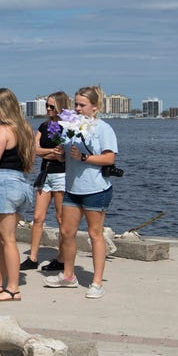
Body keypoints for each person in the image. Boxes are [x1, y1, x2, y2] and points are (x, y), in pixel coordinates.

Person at [44, 86, 118, 299]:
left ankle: (96, 282)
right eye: (76, 104)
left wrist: (84, 158)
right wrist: (60, 155)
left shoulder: (103, 129)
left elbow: (109, 158)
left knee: (95, 234)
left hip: (96, 189)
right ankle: (68, 275)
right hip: (73, 189)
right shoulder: (70, 129)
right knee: (67, 232)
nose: (77, 108)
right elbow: (67, 156)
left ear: (94, 107)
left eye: (82, 105)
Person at [0, 88, 35, 302]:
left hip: (4, 184)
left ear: (1, 108)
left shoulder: (3, 130)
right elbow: (29, 161)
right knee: (4, 239)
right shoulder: (26, 130)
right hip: (22, 184)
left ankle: (12, 289)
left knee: (8, 239)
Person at [20, 91, 70, 272]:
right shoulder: (44, 126)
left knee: (60, 218)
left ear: (60, 106)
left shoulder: (68, 127)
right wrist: (51, 153)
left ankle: (62, 258)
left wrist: (51, 153)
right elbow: (34, 149)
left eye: (51, 106)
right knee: (37, 217)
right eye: (47, 106)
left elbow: (64, 154)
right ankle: (32, 258)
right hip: (45, 174)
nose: (48, 109)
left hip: (61, 176)